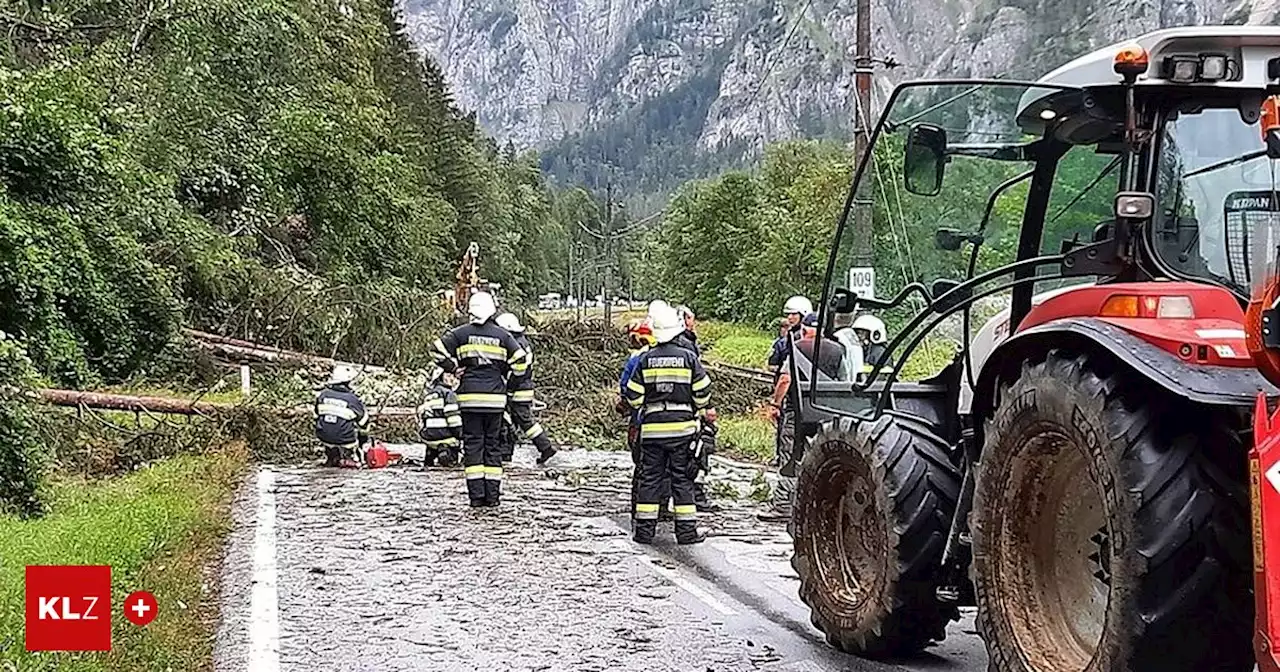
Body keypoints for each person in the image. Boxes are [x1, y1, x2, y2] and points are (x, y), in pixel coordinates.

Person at [623, 302, 712, 545]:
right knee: (681, 479)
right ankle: (686, 533)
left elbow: (633, 397)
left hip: (652, 431)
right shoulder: (689, 358)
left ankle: (644, 533)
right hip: (682, 430)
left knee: (650, 479)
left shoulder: (645, 359)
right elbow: (703, 394)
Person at [432, 292, 528, 507]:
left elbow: (436, 350)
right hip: (495, 401)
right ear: (492, 309)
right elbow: (521, 362)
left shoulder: (460, 333)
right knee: (492, 446)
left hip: (469, 400)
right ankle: (492, 497)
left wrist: (454, 368)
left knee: (474, 445)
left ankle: (476, 497)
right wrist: (507, 382)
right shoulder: (503, 336)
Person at [759, 312, 845, 522]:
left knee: (790, 455)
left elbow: (785, 379)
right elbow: (843, 379)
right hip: (826, 414)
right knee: (822, 458)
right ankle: (819, 506)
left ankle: (783, 505)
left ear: (804, 330)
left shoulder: (797, 347)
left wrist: (775, 404)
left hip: (797, 413)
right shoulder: (837, 350)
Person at [496, 312, 557, 465]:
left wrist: (508, 389)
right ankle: (542, 447)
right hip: (524, 386)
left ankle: (544, 447)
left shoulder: (514, 344)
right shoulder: (522, 341)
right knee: (519, 419)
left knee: (517, 419)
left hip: (517, 387)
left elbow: (514, 370)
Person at [313, 363, 371, 468]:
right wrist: (363, 440)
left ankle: (331, 456)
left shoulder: (323, 395)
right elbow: (364, 423)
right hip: (346, 440)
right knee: (350, 441)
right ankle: (348, 457)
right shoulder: (353, 400)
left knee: (330, 432)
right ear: (348, 382)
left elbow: (316, 417)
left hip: (323, 437)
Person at [416, 367, 462, 468]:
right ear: (440, 377)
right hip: (446, 438)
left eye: (453, 376)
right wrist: (460, 435)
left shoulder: (429, 394)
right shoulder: (449, 394)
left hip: (429, 439)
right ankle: (446, 454)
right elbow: (453, 419)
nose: (452, 379)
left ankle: (430, 455)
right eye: (448, 375)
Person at [768, 296, 813, 377]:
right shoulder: (782, 343)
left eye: (794, 314)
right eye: (788, 314)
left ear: (804, 315)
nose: (790, 317)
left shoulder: (817, 342)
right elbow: (772, 366)